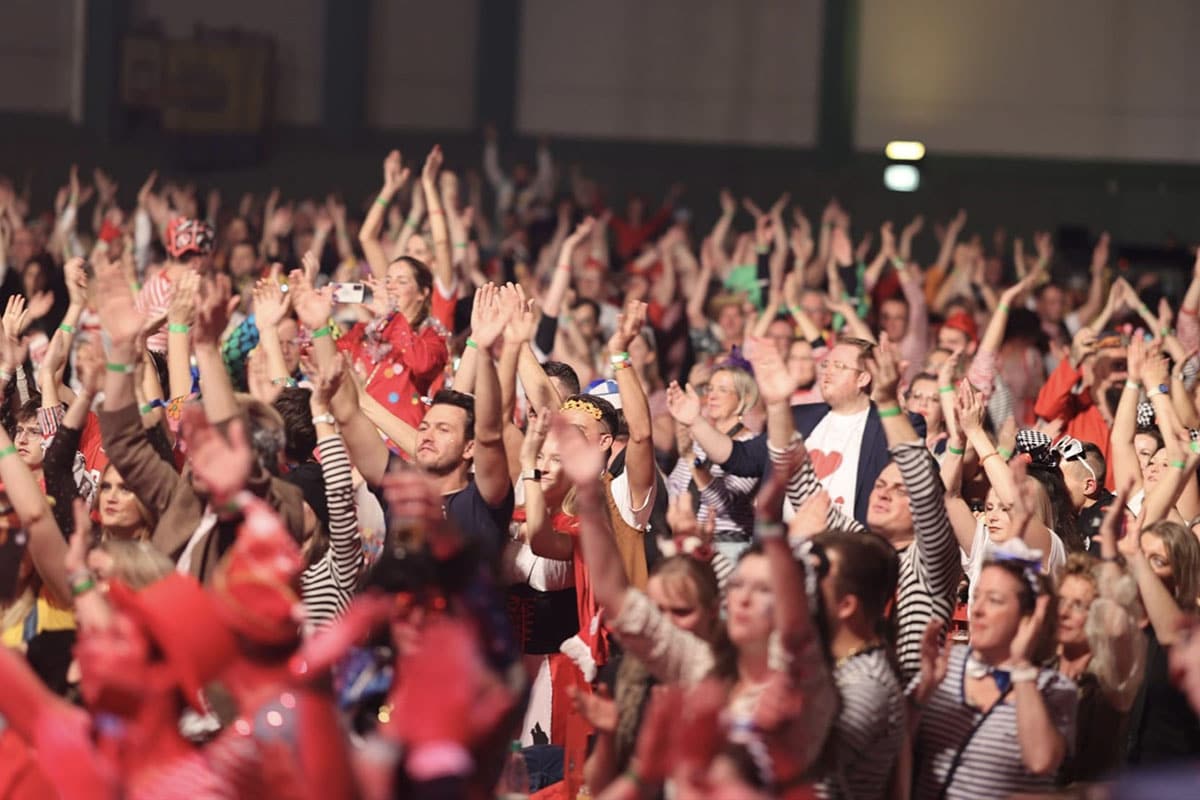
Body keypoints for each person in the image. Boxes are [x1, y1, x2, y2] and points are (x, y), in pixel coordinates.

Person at [909, 554, 1077, 798]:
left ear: (1029, 617)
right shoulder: (947, 665)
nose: (977, 610)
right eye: (977, 597)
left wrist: (1020, 666)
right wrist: (922, 692)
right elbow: (892, 747)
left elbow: (1041, 761)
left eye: (994, 601)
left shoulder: (1052, 687)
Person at [686, 336, 892, 525]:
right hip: (787, 549)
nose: (827, 372)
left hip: (849, 551)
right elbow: (742, 457)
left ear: (863, 379)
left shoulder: (887, 428)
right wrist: (695, 421)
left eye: (839, 366)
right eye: (826, 364)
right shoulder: (798, 418)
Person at [1055, 502, 1146, 785]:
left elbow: (1121, 624)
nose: (1065, 612)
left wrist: (1112, 555)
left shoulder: (1109, 679)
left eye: (1079, 605)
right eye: (1062, 601)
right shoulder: (1037, 665)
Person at [666, 364, 760, 554]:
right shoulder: (699, 441)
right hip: (688, 542)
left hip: (726, 546)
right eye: (710, 388)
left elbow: (724, 503)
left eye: (723, 390)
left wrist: (692, 459)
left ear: (745, 398)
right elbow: (674, 487)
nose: (712, 396)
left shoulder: (752, 446)